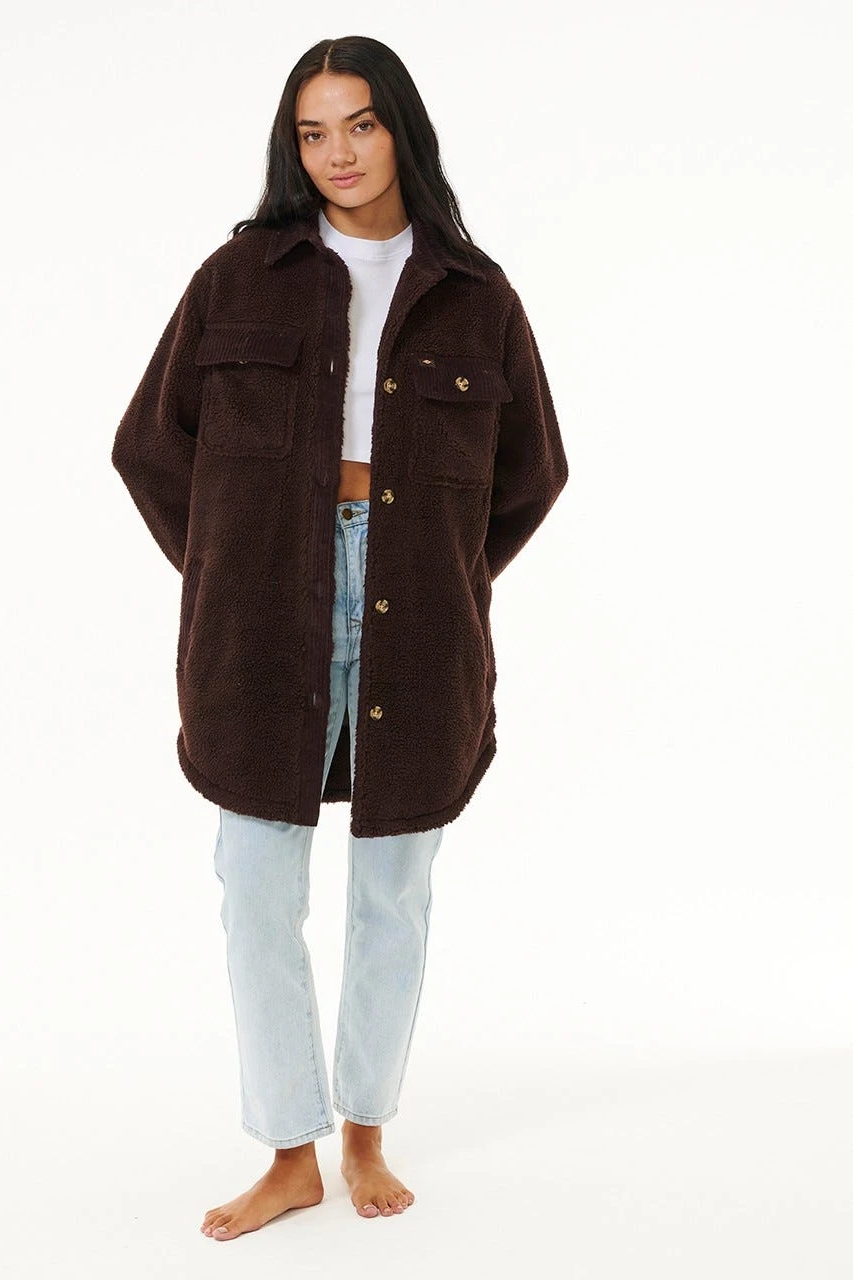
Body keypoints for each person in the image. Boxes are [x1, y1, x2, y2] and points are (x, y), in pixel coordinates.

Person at [111, 35, 568, 1242]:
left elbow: (532, 473)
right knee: (256, 886)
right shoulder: (238, 276)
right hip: (263, 613)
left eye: (359, 124)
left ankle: (365, 1128)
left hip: (419, 614)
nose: (338, 153)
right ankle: (288, 1148)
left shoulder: (478, 294)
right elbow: (151, 445)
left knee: (393, 891)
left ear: (399, 127)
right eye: (312, 133)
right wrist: (237, 568)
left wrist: (439, 575)